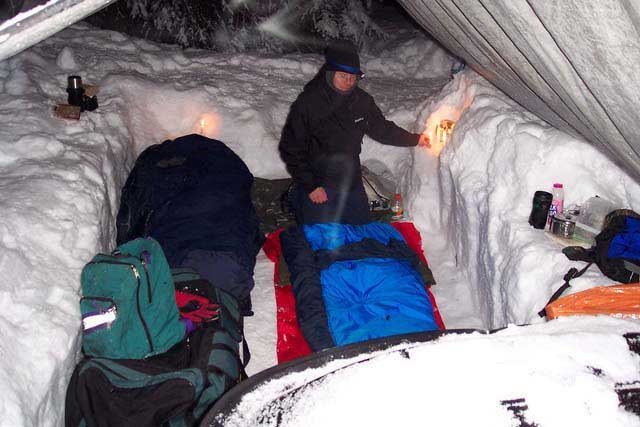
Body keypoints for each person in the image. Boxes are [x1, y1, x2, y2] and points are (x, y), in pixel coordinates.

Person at [279, 41, 430, 225]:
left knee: (361, 230)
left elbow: (382, 129)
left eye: (353, 77)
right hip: (319, 179)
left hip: (350, 179)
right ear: (330, 72)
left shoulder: (361, 101)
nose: (349, 81)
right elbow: (291, 147)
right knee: (322, 237)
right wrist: (311, 186)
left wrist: (416, 139)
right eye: (343, 76)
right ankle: (298, 193)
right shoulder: (309, 103)